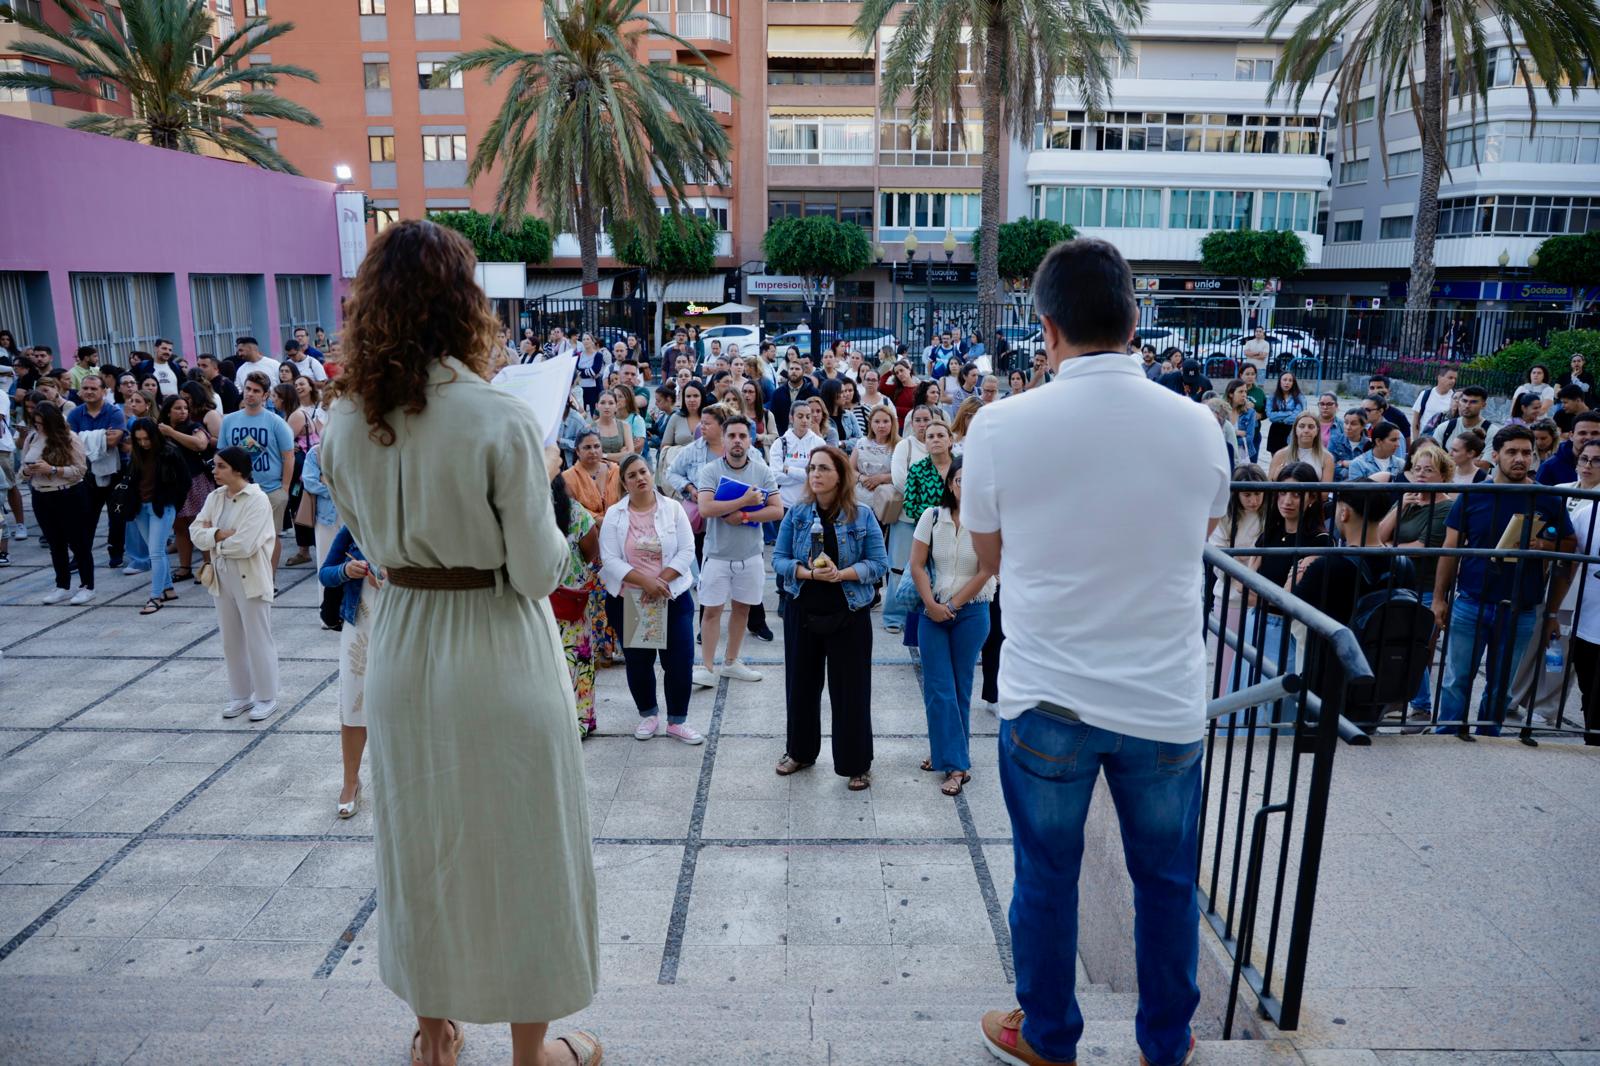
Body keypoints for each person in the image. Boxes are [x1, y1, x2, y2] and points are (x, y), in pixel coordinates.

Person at [317, 221, 600, 1066]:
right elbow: (538, 571)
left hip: (403, 642)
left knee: (421, 841)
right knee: (524, 848)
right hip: (495, 645)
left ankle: (434, 1031)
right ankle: (530, 1052)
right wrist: (552, 488)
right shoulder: (497, 418)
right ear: (463, 302)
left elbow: (365, 533)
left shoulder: (342, 420)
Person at [961, 238, 1229, 1066]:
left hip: (1050, 699)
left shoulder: (1002, 426)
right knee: (1168, 884)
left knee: (1046, 877)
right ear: (1134, 317)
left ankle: (1047, 1035)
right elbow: (1202, 534)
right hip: (1166, 701)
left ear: (1046, 329)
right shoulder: (1198, 426)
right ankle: (1165, 1043)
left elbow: (991, 555)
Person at [1432, 425, 1574, 736]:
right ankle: (1447, 733)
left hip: (1520, 607)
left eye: (1527, 452)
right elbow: (1450, 548)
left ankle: (1489, 737)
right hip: (1471, 602)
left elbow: (1569, 546)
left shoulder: (1547, 499)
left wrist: (1543, 546)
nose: (1520, 458)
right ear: (1495, 456)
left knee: (1501, 686)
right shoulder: (1473, 496)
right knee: (1457, 679)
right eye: (1512, 452)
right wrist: (1439, 598)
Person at [772, 444, 887, 791]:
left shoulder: (862, 515)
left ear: (840, 476)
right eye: (812, 469)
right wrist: (806, 574)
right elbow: (778, 559)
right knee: (801, 686)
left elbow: (878, 564)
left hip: (848, 613)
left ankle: (856, 763)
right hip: (803, 609)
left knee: (850, 690)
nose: (815, 475)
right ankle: (800, 752)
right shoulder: (798, 514)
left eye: (823, 469)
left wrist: (843, 574)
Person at [600, 452, 704, 745]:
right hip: (631, 599)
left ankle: (677, 721)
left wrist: (661, 581)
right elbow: (609, 558)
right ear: (624, 483)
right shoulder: (615, 515)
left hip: (672, 596)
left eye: (643, 472)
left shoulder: (672, 509)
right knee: (639, 661)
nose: (639, 478)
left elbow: (687, 549)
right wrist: (645, 582)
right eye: (631, 475)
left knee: (680, 660)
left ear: (652, 474)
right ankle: (648, 714)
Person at [910, 457, 996, 797]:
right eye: (960, 480)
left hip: (973, 612)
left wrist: (953, 605)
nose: (966, 486)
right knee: (937, 686)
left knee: (959, 687)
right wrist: (932, 605)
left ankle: (957, 766)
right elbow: (916, 564)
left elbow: (988, 568)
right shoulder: (932, 516)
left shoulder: (989, 523)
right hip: (932, 611)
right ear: (951, 484)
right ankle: (947, 752)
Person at [694, 416, 783, 687]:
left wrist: (743, 515)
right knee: (711, 611)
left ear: (751, 439)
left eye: (742, 436)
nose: (737, 441)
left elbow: (777, 510)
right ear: (723, 439)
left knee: (742, 609)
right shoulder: (710, 470)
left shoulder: (762, 470)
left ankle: (731, 662)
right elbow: (705, 508)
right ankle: (707, 667)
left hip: (750, 554)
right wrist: (744, 501)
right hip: (718, 554)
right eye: (732, 436)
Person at [192, 446, 279, 720]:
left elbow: (246, 545)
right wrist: (218, 534)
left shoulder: (257, 499)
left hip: (250, 576)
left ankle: (266, 696)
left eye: (221, 466)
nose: (214, 471)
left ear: (238, 470)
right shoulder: (215, 496)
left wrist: (214, 542)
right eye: (215, 466)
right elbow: (196, 532)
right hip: (221, 577)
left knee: (257, 637)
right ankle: (241, 695)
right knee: (231, 640)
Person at [1377, 442, 1455, 722]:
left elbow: (1422, 545)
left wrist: (1389, 546)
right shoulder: (1408, 498)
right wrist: (1400, 509)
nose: (1420, 475)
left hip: (1425, 585)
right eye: (1417, 469)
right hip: (1399, 583)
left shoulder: (1447, 507)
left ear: (1444, 475)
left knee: (1414, 646)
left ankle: (1421, 706)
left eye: (1429, 470)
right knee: (1396, 644)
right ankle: (1397, 699)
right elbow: (1380, 534)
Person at [318, 524, 377, 816]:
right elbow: (325, 572)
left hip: (406, 622)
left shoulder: (415, 518)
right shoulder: (354, 525)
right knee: (354, 703)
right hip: (361, 624)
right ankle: (350, 782)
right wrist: (347, 570)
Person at [219, 371, 295, 574]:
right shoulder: (229, 421)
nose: (250, 394)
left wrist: (284, 489)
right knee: (238, 535)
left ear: (265, 395)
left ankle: (269, 580)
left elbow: (289, 456)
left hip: (270, 489)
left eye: (256, 391)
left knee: (270, 537)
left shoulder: (276, 422)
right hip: (237, 490)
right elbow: (222, 455)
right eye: (248, 389)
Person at [21, 402, 96, 604]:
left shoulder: (70, 439)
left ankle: (87, 585)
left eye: (43, 423)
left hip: (68, 494)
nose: (39, 427)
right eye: (36, 423)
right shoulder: (32, 437)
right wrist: (28, 471)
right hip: (41, 494)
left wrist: (53, 469)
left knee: (78, 542)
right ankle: (62, 585)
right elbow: (22, 470)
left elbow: (80, 470)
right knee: (55, 543)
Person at [548, 474, 603, 737]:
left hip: (563, 599)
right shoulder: (574, 512)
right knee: (577, 660)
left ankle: (571, 723)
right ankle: (579, 721)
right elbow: (590, 550)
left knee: (569, 660)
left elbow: (592, 548)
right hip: (563, 598)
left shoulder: (573, 512)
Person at [124, 417, 188, 615]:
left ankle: (155, 596)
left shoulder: (169, 452)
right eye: (139, 439)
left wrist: (172, 503)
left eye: (146, 439)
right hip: (140, 508)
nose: (143, 443)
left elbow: (185, 481)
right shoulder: (137, 454)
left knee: (156, 552)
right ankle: (168, 589)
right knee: (156, 551)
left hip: (162, 507)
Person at [64, 373, 128, 569]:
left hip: (115, 471)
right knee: (85, 516)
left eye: (94, 388)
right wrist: (101, 436)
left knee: (117, 515)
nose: (89, 392)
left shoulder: (114, 412)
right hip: (87, 472)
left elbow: (113, 441)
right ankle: (80, 555)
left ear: (104, 391)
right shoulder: (75, 414)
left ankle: (116, 551)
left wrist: (85, 438)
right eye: (85, 388)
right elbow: (70, 443)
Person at [853, 405, 901, 526]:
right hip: (860, 500)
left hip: (887, 502)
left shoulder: (900, 445)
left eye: (885, 421)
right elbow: (850, 469)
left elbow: (904, 473)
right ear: (870, 424)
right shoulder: (861, 443)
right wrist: (862, 478)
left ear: (892, 423)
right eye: (877, 421)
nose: (881, 425)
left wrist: (882, 478)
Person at [1268, 411, 1334, 482]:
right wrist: (1275, 479)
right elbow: (1268, 487)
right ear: (1295, 429)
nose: (1306, 430)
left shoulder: (1327, 458)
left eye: (1311, 427)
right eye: (1302, 426)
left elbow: (1325, 492)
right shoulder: (1280, 455)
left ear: (1317, 430)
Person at [1432, 385, 1497, 449]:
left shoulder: (1491, 432)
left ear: (1483, 405)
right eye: (1464, 401)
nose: (1467, 406)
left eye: (1473, 402)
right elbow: (1433, 456)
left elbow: (1487, 459)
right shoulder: (1444, 428)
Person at [1411, 365, 1458, 437]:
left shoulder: (1455, 398)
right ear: (1439, 378)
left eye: (1455, 378)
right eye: (1450, 378)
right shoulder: (1425, 394)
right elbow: (1415, 421)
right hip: (1424, 439)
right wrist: (1416, 441)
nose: (1453, 381)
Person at [1264, 370, 1304, 454]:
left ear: (1293, 382)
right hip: (1276, 431)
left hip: (1292, 431)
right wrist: (1289, 413)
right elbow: (1271, 416)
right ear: (1280, 381)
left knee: (1291, 462)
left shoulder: (1299, 397)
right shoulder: (1272, 396)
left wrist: (1281, 418)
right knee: (1276, 461)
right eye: (1285, 380)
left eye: (1290, 380)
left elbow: (1298, 415)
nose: (1287, 383)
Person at [590, 389, 635, 462]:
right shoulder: (590, 428)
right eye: (602, 403)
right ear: (597, 406)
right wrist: (620, 454)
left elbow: (630, 454)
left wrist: (604, 455)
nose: (607, 406)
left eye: (611, 403)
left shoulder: (624, 426)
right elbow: (592, 456)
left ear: (616, 406)